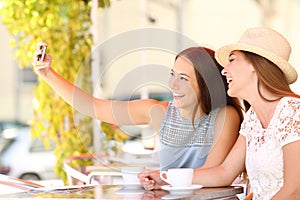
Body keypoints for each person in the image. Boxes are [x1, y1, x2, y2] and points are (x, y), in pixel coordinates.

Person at [32, 45, 244, 187]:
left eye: (183, 78)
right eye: (172, 75)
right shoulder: (160, 112)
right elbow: (94, 107)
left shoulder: (225, 116)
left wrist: (163, 178)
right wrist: (48, 74)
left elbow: (212, 173)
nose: (173, 84)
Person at [142, 27, 300, 199]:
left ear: (254, 65)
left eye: (232, 60)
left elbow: (294, 189)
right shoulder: (253, 119)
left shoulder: (292, 111)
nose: (224, 70)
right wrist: (165, 178)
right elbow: (224, 172)